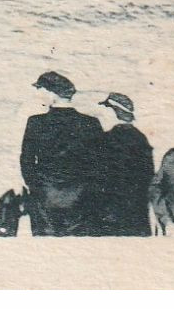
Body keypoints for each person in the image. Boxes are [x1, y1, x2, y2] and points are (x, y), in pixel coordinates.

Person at [19, 71, 104, 236]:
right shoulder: (90, 123)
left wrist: (36, 187)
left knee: (46, 251)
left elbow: (27, 160)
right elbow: (99, 163)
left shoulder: (36, 122)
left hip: (45, 196)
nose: (38, 94)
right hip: (81, 198)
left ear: (52, 94)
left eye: (41, 90)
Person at [97, 92, 155, 236]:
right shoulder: (140, 138)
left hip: (111, 214)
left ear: (113, 112)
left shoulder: (106, 139)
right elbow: (148, 177)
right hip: (137, 211)